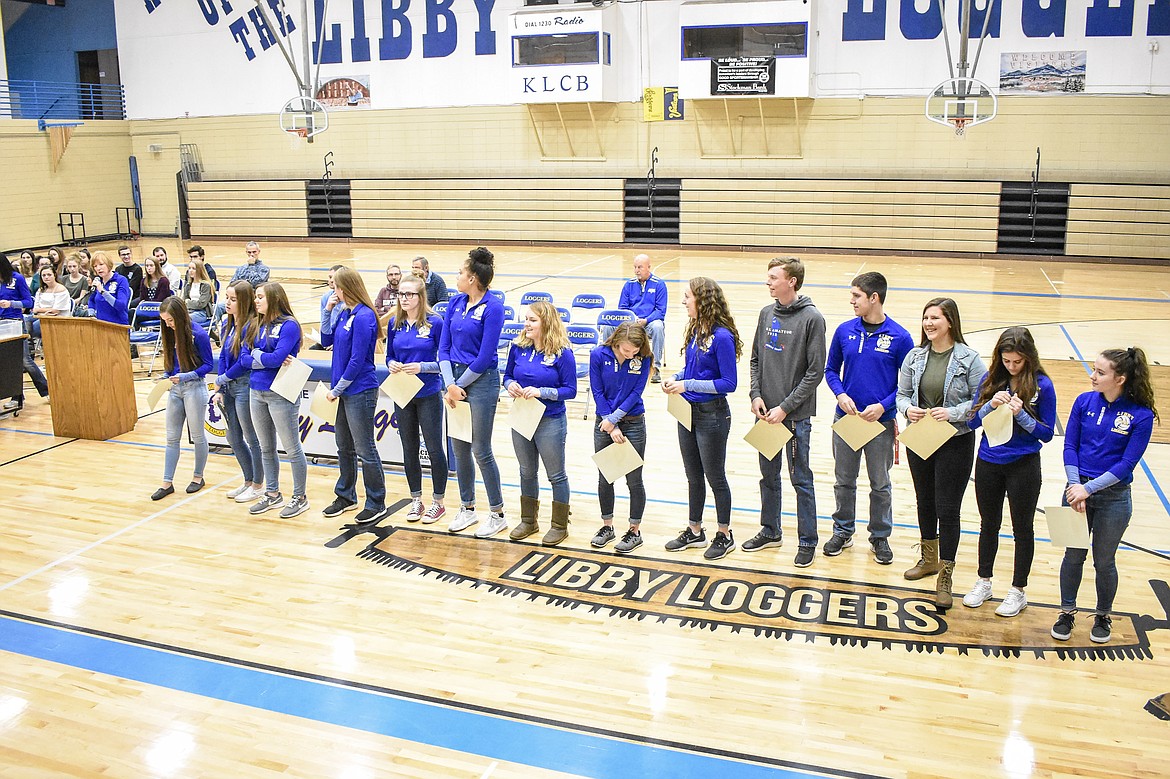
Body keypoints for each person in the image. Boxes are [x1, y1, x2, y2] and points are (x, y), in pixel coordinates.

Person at [1052, 347, 1158, 644]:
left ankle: (1103, 615)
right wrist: (1076, 487)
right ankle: (1066, 612)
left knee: (1104, 561)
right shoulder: (1083, 401)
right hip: (1075, 491)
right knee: (1072, 556)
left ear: (1120, 378)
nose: (1092, 376)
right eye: (1093, 369)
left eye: (1100, 372)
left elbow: (1126, 465)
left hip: (1114, 498)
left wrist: (1089, 488)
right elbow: (1069, 446)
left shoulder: (1141, 415)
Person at [896, 297, 985, 609]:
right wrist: (909, 410)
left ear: (950, 322)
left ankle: (945, 573)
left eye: (935, 318)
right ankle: (928, 559)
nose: (929, 324)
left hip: (955, 441)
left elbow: (980, 405)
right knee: (925, 501)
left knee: (947, 509)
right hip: (921, 436)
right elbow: (902, 395)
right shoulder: (915, 356)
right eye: (926, 318)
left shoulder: (970, 359)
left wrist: (953, 412)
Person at [962, 327, 1057, 618]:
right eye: (1007, 361)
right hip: (989, 461)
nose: (1012, 366)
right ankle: (984, 581)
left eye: (1017, 362)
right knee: (988, 524)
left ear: (1028, 358)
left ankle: (1018, 590)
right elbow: (971, 423)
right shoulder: (990, 380)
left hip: (1024, 464)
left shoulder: (1043, 385)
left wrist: (1023, 415)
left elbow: (1047, 434)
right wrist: (989, 405)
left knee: (1022, 528)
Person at [823, 271, 914, 566]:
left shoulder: (900, 337)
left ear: (874, 298)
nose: (851, 301)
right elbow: (830, 370)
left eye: (856, 296)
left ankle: (879, 536)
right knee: (844, 481)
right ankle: (843, 530)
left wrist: (884, 405)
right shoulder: (844, 331)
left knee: (880, 483)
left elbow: (908, 385)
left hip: (880, 422)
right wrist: (840, 394)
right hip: (847, 419)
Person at [743, 257, 827, 568]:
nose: (768, 282)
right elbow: (754, 359)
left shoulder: (812, 318)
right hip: (764, 414)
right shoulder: (766, 313)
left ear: (791, 281)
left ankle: (807, 540)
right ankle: (770, 530)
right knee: (768, 476)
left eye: (774, 277)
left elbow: (815, 372)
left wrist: (785, 407)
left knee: (800, 479)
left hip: (793, 417)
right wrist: (755, 395)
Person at [662, 277, 742, 560]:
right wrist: (675, 378)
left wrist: (689, 385)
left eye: (687, 297)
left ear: (702, 299)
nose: (683, 302)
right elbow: (692, 369)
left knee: (715, 477)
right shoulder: (696, 330)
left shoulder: (722, 337)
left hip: (713, 416)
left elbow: (728, 383)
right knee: (693, 476)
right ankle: (695, 531)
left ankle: (725, 534)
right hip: (688, 413)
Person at [439, 247, 508, 537]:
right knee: (459, 449)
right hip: (453, 380)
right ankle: (467, 508)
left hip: (480, 381)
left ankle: (497, 512)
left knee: (481, 449)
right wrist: (448, 384)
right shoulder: (455, 303)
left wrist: (459, 385)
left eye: (460, 273)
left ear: (474, 278)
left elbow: (484, 355)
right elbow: (442, 347)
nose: (457, 276)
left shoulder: (494, 307)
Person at [504, 301, 577, 545]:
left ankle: (559, 525)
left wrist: (542, 392)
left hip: (550, 420)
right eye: (526, 319)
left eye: (533, 320)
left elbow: (571, 390)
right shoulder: (518, 347)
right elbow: (507, 376)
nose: (527, 324)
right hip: (523, 417)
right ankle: (528, 521)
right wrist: (510, 385)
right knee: (526, 471)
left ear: (546, 323)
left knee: (556, 475)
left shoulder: (562, 352)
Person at [319, 267, 387, 524]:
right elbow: (326, 339)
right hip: (343, 390)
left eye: (334, 285)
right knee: (343, 446)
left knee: (365, 448)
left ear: (344, 287)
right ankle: (346, 495)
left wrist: (337, 389)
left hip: (360, 390)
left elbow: (358, 359)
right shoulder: (346, 313)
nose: (331, 290)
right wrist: (328, 310)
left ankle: (376, 501)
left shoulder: (364, 316)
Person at [385, 274, 447, 525]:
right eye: (401, 294)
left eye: (409, 294)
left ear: (421, 297)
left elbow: (444, 362)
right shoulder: (395, 323)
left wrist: (422, 367)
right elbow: (389, 355)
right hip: (402, 393)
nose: (403, 299)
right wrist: (391, 364)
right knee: (409, 448)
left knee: (433, 449)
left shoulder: (435, 323)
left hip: (428, 393)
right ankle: (416, 499)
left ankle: (438, 502)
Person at [248, 282, 310, 519]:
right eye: (255, 297)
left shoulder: (290, 325)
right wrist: (262, 357)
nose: (256, 301)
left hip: (281, 393)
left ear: (273, 298)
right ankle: (272, 493)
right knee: (266, 447)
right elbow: (244, 357)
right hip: (257, 391)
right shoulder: (256, 322)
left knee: (292, 448)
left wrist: (258, 355)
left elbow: (277, 359)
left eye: (260, 297)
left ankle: (300, 497)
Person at [588, 322, 652, 553]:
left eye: (635, 350)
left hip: (633, 422)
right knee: (606, 477)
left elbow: (636, 393)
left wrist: (614, 419)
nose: (631, 354)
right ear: (616, 341)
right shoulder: (598, 354)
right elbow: (597, 392)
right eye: (626, 350)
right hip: (604, 423)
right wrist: (610, 423)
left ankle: (634, 530)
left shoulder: (643, 358)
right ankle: (607, 526)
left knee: (634, 480)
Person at [151, 297, 214, 500]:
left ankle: (198, 477)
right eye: (165, 322)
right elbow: (172, 364)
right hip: (175, 389)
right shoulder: (169, 335)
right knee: (171, 437)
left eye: (170, 320)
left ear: (179, 316)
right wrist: (165, 375)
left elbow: (208, 365)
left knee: (197, 435)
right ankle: (166, 482)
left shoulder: (198, 334)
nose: (168, 325)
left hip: (194, 387)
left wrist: (187, 375)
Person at [210, 281, 265, 506]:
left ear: (243, 301)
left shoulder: (251, 325)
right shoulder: (228, 324)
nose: (227, 303)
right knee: (232, 436)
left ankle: (259, 485)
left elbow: (245, 363)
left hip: (243, 385)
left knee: (252, 437)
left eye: (233, 299)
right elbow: (223, 356)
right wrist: (221, 384)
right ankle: (248, 479)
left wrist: (225, 378)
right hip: (229, 385)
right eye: (227, 298)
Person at [606, 254, 667, 383]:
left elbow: (661, 311)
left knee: (658, 326)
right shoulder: (629, 285)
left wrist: (646, 320)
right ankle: (610, 360)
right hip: (630, 323)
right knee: (608, 326)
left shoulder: (659, 285)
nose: (636, 270)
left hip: (648, 323)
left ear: (649, 267)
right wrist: (631, 320)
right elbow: (622, 308)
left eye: (640, 267)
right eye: (635, 267)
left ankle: (655, 366)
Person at [0, 255, 46, 410]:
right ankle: (17, 396)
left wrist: (11, 304)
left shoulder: (16, 278)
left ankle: (46, 389)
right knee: (8, 362)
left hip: (16, 322)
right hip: (1, 324)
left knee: (25, 360)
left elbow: (29, 302)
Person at [87, 251, 132, 325]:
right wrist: (91, 314)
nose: (98, 268)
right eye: (95, 266)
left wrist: (102, 291)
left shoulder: (121, 280)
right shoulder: (98, 281)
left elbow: (121, 306)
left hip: (118, 325)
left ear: (108, 264)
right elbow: (91, 300)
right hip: (101, 324)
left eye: (101, 264)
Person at [29, 266, 73, 339]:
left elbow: (55, 310)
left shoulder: (61, 289)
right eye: (44, 275)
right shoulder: (40, 290)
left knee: (34, 326)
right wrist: (41, 314)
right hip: (41, 316)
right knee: (24, 320)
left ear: (54, 275)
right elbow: (35, 309)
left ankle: (31, 340)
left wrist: (40, 311)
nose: (46, 277)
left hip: (58, 319)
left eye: (49, 275)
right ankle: (28, 344)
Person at [310, 265, 346, 350]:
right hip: (328, 337)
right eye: (329, 277)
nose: (330, 281)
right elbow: (323, 321)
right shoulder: (326, 297)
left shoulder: (347, 302)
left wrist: (336, 344)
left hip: (341, 340)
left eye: (332, 278)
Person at [182, 258, 215, 326]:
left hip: (202, 313)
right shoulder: (188, 285)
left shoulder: (206, 285)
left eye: (194, 268)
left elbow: (201, 304)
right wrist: (188, 302)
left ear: (199, 270)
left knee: (183, 319)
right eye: (189, 268)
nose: (190, 271)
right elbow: (183, 302)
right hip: (189, 311)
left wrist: (188, 302)